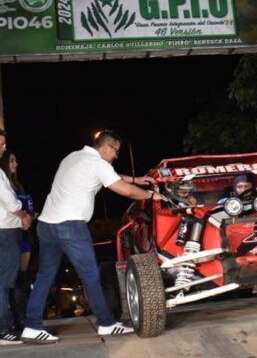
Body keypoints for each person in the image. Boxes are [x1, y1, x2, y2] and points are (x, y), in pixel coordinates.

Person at [21, 130, 167, 344]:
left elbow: (110, 176)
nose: (116, 156)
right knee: (90, 276)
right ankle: (106, 323)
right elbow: (124, 190)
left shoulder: (73, 157)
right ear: (106, 147)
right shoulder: (98, 165)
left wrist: (136, 179)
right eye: (116, 151)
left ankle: (31, 326)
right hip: (70, 226)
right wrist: (152, 195)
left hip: (46, 226)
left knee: (45, 276)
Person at [0, 129, 32, 345]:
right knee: (4, 282)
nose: (3, 148)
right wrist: (23, 215)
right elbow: (10, 202)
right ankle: (4, 329)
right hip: (5, 230)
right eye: (1, 144)